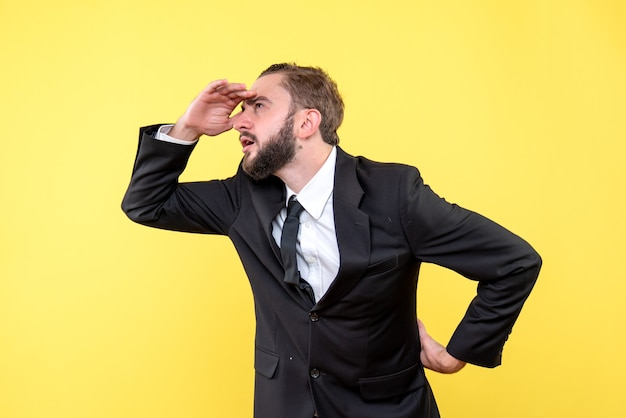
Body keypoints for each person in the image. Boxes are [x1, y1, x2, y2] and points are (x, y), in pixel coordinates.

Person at [122, 63, 541, 418]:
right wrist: (186, 128)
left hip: (386, 407)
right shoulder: (242, 198)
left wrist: (457, 354)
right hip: (284, 405)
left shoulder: (394, 192)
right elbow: (147, 204)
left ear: (306, 122)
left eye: (258, 107)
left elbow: (513, 262)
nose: (238, 121)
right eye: (241, 109)